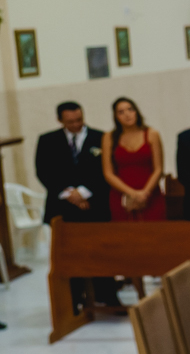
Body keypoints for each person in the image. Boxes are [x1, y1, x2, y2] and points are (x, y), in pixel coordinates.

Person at [36, 101, 117, 309]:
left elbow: (106, 169)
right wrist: (68, 194)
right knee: (69, 255)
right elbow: (43, 171)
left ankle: (107, 295)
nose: (76, 125)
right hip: (62, 207)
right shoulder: (47, 140)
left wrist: (83, 192)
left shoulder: (100, 137)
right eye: (70, 121)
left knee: (101, 251)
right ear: (60, 120)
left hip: (94, 204)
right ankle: (73, 300)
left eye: (79, 120)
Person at [102, 97, 165, 222]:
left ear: (136, 111)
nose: (127, 115)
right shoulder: (109, 137)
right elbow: (108, 173)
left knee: (155, 235)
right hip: (121, 195)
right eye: (121, 112)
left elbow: (158, 169)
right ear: (115, 117)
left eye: (130, 109)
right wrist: (132, 193)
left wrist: (144, 194)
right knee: (125, 236)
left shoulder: (152, 134)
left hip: (150, 194)